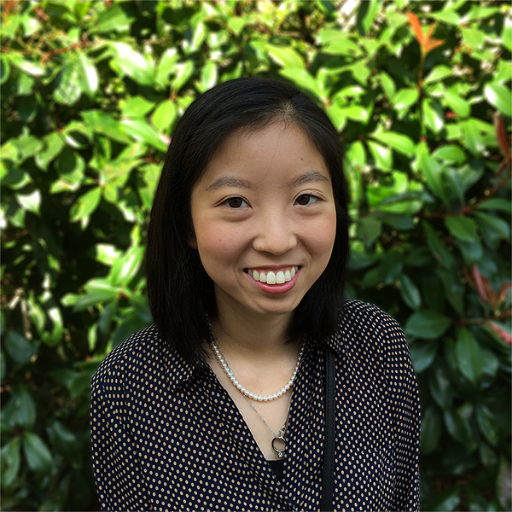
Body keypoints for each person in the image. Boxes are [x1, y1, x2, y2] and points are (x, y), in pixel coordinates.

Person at [90, 77, 420, 511]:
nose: (277, 240)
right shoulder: (127, 386)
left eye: (305, 198)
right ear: (187, 224)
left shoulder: (376, 346)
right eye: (235, 202)